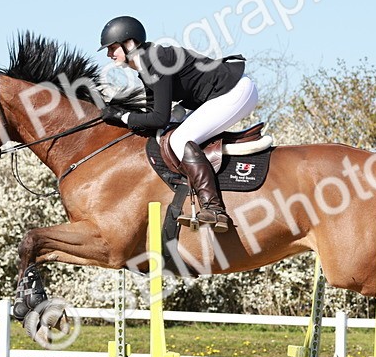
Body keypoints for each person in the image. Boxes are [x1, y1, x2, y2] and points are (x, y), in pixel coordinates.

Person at [97, 15, 258, 233]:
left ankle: (214, 208)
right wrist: (124, 117)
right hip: (216, 95)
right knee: (169, 133)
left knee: (181, 139)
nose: (109, 54)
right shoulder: (146, 67)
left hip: (234, 91)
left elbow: (159, 118)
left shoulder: (157, 61)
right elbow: (153, 118)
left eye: (112, 48)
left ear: (129, 44)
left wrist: (123, 117)